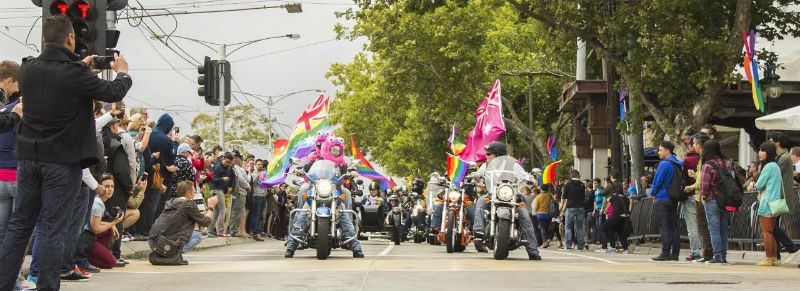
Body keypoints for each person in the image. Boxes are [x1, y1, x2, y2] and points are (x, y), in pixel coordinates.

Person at [0, 15, 132, 291]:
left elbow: (56, 78)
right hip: (62, 161)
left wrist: (79, 67)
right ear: (71, 38)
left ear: (45, 38)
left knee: (19, 225)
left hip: (28, 158)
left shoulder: (28, 69)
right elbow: (112, 91)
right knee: (51, 227)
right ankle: (47, 286)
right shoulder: (77, 75)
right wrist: (123, 71)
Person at [471, 142, 541, 260]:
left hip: (513, 196)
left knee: (525, 218)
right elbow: (478, 174)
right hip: (492, 195)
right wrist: (474, 175)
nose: (486, 156)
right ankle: (479, 231)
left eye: (489, 154)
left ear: (497, 155)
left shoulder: (513, 165)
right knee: (481, 202)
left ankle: (533, 251)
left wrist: (530, 178)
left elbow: (523, 175)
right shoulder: (486, 166)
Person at [148, 181, 219, 265]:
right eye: (194, 192)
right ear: (188, 193)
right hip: (163, 244)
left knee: (192, 232)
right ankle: (172, 254)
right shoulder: (188, 204)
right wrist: (211, 207)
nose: (195, 194)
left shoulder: (171, 201)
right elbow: (205, 222)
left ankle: (166, 252)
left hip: (153, 241)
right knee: (198, 236)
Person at [699, 140, 732, 264]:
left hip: (712, 200)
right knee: (723, 229)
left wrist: (703, 196)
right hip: (725, 200)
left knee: (713, 229)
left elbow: (704, 184)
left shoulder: (707, 165)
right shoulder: (727, 163)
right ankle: (723, 255)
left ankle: (717, 256)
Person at [649, 141, 683, 261]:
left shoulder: (664, 164)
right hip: (674, 198)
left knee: (665, 226)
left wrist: (653, 193)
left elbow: (657, 181)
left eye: (660, 150)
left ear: (668, 150)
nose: (658, 152)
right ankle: (675, 253)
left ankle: (665, 252)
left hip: (663, 198)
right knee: (674, 226)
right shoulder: (678, 163)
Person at [767, 132, 800, 256]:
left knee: (772, 226)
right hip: (778, 195)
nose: (769, 144)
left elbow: (775, 175)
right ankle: (777, 254)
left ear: (777, 143)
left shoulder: (784, 157)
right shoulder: (781, 157)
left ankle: (792, 248)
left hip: (780, 195)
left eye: (771, 141)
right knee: (772, 225)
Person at [683, 133, 714, 263]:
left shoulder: (703, 160)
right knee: (710, 227)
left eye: (694, 143)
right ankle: (714, 253)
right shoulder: (708, 159)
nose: (693, 146)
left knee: (703, 227)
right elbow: (702, 178)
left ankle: (705, 253)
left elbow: (702, 180)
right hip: (707, 197)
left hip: (702, 198)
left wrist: (691, 185)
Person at [82, 175, 125, 269]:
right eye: (106, 186)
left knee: (109, 231)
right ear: (100, 187)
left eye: (112, 186)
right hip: (85, 238)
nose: (110, 189)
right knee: (111, 263)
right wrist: (114, 223)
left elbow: (92, 223)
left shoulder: (99, 201)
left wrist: (110, 225)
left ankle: (101, 254)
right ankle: (82, 259)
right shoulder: (97, 203)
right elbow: (96, 229)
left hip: (88, 235)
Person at [755, 142, 784, 266]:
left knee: (766, 232)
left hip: (767, 202)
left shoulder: (768, 167)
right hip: (775, 202)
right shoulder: (775, 166)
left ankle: (769, 258)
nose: (759, 153)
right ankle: (774, 258)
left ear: (768, 152)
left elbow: (759, 184)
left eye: (762, 150)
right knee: (771, 231)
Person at [681, 136, 702, 261]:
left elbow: (684, 178)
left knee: (692, 225)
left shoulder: (688, 160)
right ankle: (706, 250)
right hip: (704, 195)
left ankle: (695, 251)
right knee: (703, 225)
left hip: (691, 194)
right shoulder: (703, 159)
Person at [597, 183, 631, 253]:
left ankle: (604, 248)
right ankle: (625, 249)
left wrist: (604, 212)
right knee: (620, 232)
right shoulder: (626, 198)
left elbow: (606, 209)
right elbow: (628, 208)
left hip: (616, 216)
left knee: (603, 228)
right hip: (625, 218)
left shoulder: (613, 197)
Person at [209, 153, 236, 237]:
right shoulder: (218, 167)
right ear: (223, 158)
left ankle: (210, 230)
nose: (227, 164)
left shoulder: (227, 168)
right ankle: (220, 231)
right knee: (223, 210)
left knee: (216, 211)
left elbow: (233, 177)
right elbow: (212, 179)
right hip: (216, 189)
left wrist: (229, 186)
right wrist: (222, 179)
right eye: (226, 162)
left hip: (221, 190)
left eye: (229, 163)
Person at [561, 170, 585, 251]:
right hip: (580, 207)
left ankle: (568, 245)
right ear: (578, 175)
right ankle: (580, 245)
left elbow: (564, 196)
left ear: (571, 175)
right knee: (579, 227)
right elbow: (583, 196)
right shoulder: (582, 184)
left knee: (568, 226)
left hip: (571, 207)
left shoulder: (568, 184)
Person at [229, 151, 251, 238]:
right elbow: (241, 179)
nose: (234, 159)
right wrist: (248, 186)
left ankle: (234, 230)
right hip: (239, 192)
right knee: (237, 212)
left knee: (239, 212)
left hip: (241, 192)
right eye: (233, 157)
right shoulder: (235, 167)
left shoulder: (237, 167)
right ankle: (233, 230)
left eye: (235, 157)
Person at [250, 160, 268, 241]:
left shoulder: (264, 174)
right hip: (257, 196)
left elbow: (267, 183)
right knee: (256, 215)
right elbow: (252, 182)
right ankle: (254, 233)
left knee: (261, 216)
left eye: (261, 164)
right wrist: (258, 175)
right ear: (255, 165)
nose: (260, 166)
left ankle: (259, 232)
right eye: (258, 164)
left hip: (263, 196)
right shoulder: (253, 174)